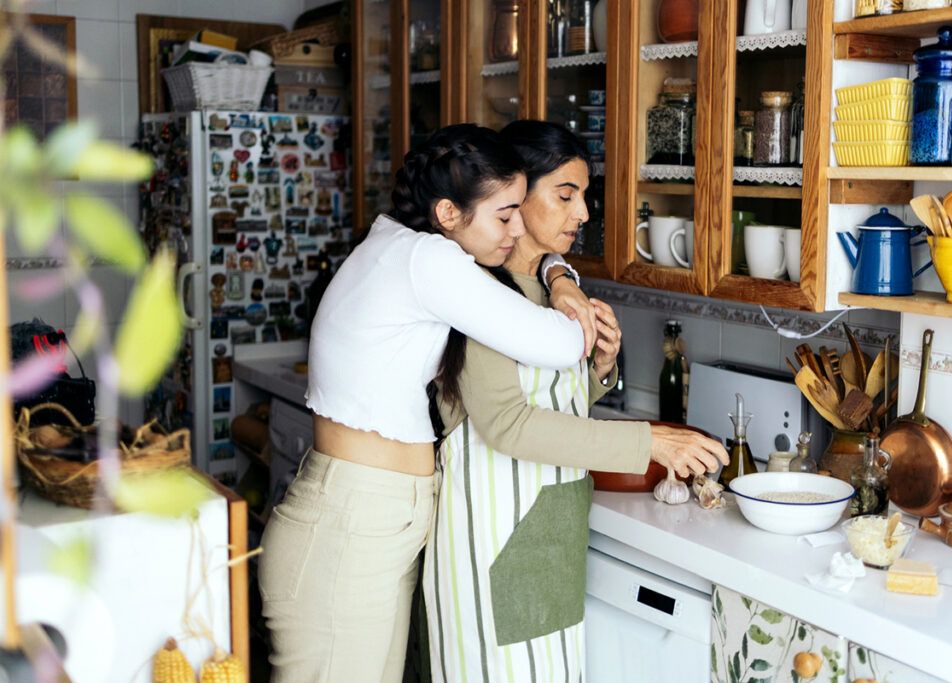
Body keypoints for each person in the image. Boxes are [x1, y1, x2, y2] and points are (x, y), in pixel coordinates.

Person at [258, 124, 598, 683]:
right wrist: (558, 277)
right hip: (353, 521)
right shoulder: (427, 262)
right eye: (505, 214)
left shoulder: (399, 245)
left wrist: (553, 269)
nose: (516, 230)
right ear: (447, 213)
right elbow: (560, 343)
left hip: (367, 515)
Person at [424, 120, 729, 682]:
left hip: (548, 539)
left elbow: (553, 402)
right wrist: (652, 440)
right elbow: (508, 426)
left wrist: (600, 370)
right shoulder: (479, 296)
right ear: (515, 197)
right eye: (565, 196)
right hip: (491, 542)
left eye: (583, 196)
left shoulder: (555, 287)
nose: (583, 213)